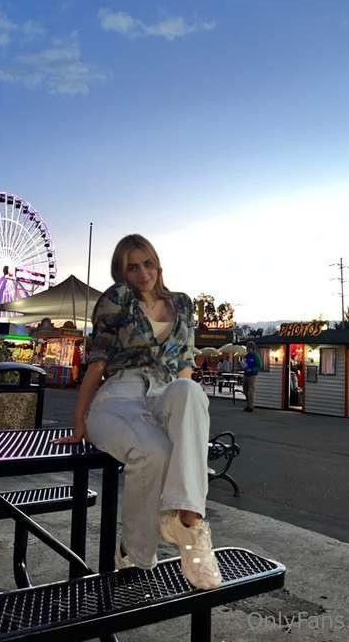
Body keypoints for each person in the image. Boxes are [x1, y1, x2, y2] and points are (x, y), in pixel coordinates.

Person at [53, 234, 221, 590]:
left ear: (158, 264)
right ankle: (135, 551)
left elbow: (185, 365)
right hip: (121, 394)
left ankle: (189, 522)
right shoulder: (117, 299)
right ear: (122, 272)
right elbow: (98, 362)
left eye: (148, 263)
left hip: (166, 390)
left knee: (191, 391)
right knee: (154, 452)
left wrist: (183, 420)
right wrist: (79, 421)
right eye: (132, 267)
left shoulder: (183, 304)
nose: (143, 273)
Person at [242, 341, 262, 412]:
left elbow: (259, 366)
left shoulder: (256, 356)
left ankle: (250, 406)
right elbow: (244, 365)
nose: (247, 349)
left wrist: (252, 369)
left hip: (252, 375)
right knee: (245, 390)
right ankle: (248, 404)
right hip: (245, 374)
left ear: (252, 348)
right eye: (247, 348)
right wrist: (243, 366)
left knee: (250, 391)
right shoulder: (246, 356)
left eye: (249, 348)